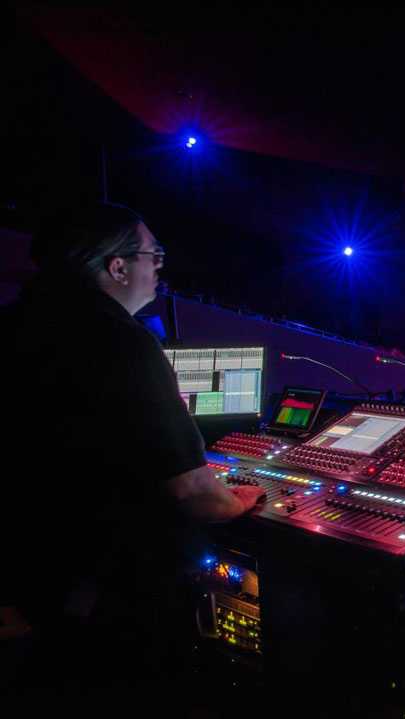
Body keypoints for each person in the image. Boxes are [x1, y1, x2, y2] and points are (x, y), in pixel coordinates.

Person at [1, 203, 264, 701]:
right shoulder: (119, 340)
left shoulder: (16, 321)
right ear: (117, 267)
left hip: (26, 577)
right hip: (97, 596)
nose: (159, 267)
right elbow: (194, 493)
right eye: (153, 255)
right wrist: (241, 498)